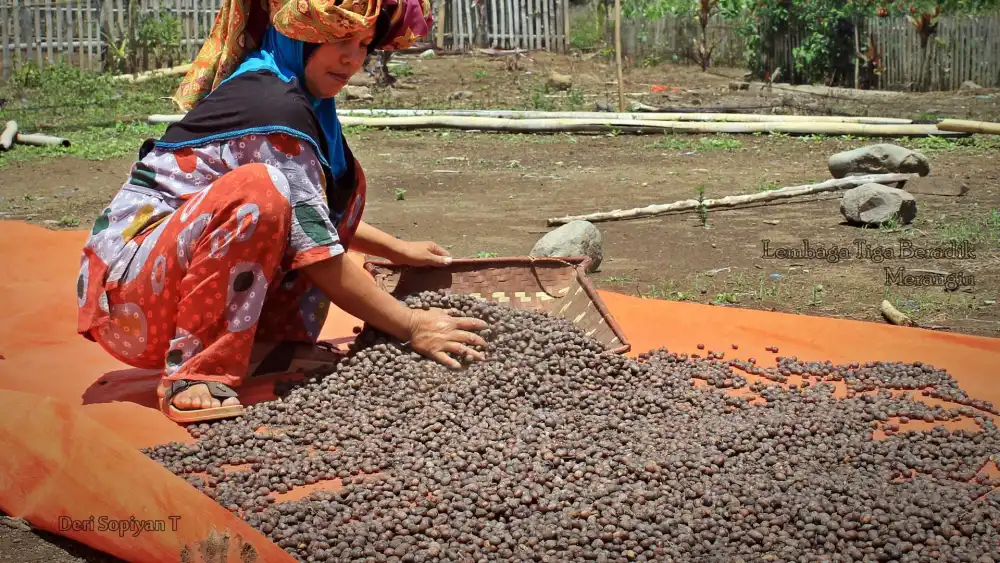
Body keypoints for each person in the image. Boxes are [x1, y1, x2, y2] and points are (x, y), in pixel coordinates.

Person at [76, 0, 488, 423]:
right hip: (131, 303)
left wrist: (397, 249)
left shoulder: (297, 96)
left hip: (173, 278)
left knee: (341, 181)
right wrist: (412, 324)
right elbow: (319, 256)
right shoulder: (272, 106)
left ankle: (276, 345)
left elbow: (307, 215)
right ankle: (194, 373)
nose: (353, 59)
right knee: (258, 191)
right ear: (298, 33)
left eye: (364, 44)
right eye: (340, 40)